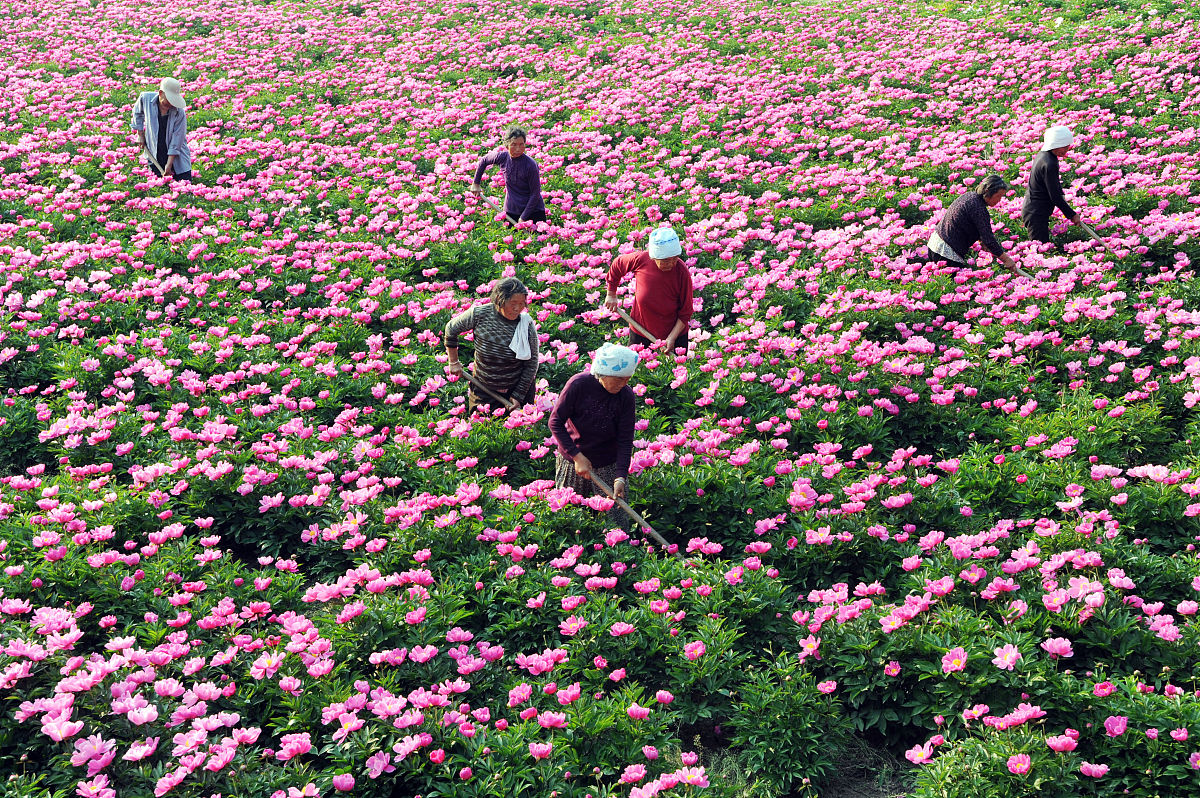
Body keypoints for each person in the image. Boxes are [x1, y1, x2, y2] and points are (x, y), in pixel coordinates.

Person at [550, 343, 638, 525]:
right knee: (568, 516)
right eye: (620, 379)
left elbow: (625, 439)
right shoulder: (578, 385)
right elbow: (555, 422)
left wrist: (620, 476)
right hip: (573, 461)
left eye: (628, 379)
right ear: (604, 373)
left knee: (616, 520)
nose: (624, 384)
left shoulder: (626, 396)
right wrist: (577, 456)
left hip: (608, 463)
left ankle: (618, 551)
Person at [444, 277, 539, 410]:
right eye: (513, 303)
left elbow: (532, 363)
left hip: (516, 391)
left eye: (522, 303)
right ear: (500, 300)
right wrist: (453, 362)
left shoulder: (526, 325)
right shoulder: (479, 314)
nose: (518, 308)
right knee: (481, 426)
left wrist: (519, 395)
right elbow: (451, 328)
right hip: (484, 389)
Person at [604, 227, 694, 355]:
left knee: (674, 373)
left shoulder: (681, 272)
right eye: (666, 260)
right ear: (654, 257)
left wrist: (672, 338)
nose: (671, 264)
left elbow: (686, 312)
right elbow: (617, 265)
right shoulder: (640, 260)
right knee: (637, 372)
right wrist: (611, 294)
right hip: (640, 332)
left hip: (674, 335)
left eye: (675, 259)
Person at [927, 175, 1020, 272]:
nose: (999, 200)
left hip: (935, 244)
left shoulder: (970, 197)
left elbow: (969, 224)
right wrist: (1007, 259)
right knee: (952, 285)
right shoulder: (978, 208)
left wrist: (981, 240)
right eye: (998, 196)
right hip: (946, 252)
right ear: (988, 192)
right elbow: (989, 239)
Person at [471, 127, 546, 225]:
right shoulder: (502, 158)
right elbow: (484, 160)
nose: (518, 149)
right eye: (514, 145)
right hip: (511, 212)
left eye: (521, 144)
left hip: (533, 212)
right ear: (507, 145)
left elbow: (535, 194)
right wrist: (476, 183)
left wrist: (523, 217)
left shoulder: (530, 165)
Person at [1022, 125, 1080, 243]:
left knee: (1043, 247)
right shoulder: (1049, 163)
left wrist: (1061, 193)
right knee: (1041, 250)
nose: (1067, 149)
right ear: (1057, 144)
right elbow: (1054, 196)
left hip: (1035, 211)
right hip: (1036, 213)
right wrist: (1072, 215)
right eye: (1066, 146)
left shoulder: (1046, 156)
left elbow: (1055, 186)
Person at [131, 78, 193, 182]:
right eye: (167, 102)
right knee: (159, 191)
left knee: (184, 190)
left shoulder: (179, 112)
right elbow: (137, 114)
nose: (169, 106)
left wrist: (169, 165)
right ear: (160, 93)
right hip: (154, 153)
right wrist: (140, 134)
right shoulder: (145, 99)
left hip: (176, 157)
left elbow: (177, 140)